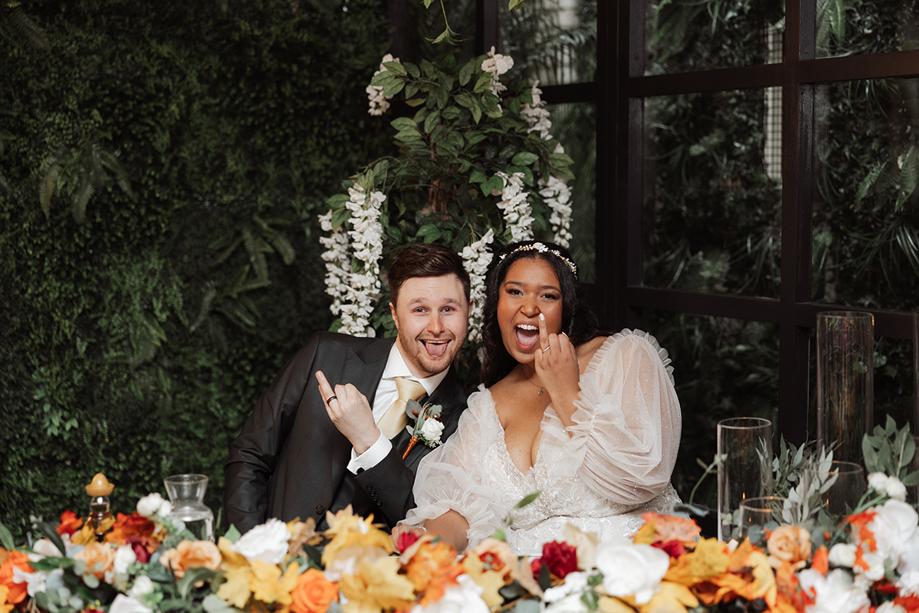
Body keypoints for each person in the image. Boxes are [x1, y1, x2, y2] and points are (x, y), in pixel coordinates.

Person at [402, 240, 682, 555]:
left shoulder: (625, 357)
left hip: (637, 567)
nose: (530, 307)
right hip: (528, 585)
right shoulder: (486, 405)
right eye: (515, 291)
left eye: (548, 295)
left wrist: (567, 390)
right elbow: (454, 509)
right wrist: (430, 550)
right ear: (496, 303)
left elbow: (643, 479)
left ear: (566, 307)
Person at [224, 243, 472, 534]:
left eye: (448, 309)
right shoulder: (326, 355)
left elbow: (423, 521)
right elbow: (250, 454)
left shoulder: (468, 420)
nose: (436, 326)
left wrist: (368, 439)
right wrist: (251, 551)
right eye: (419, 309)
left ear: (468, 312)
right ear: (394, 315)